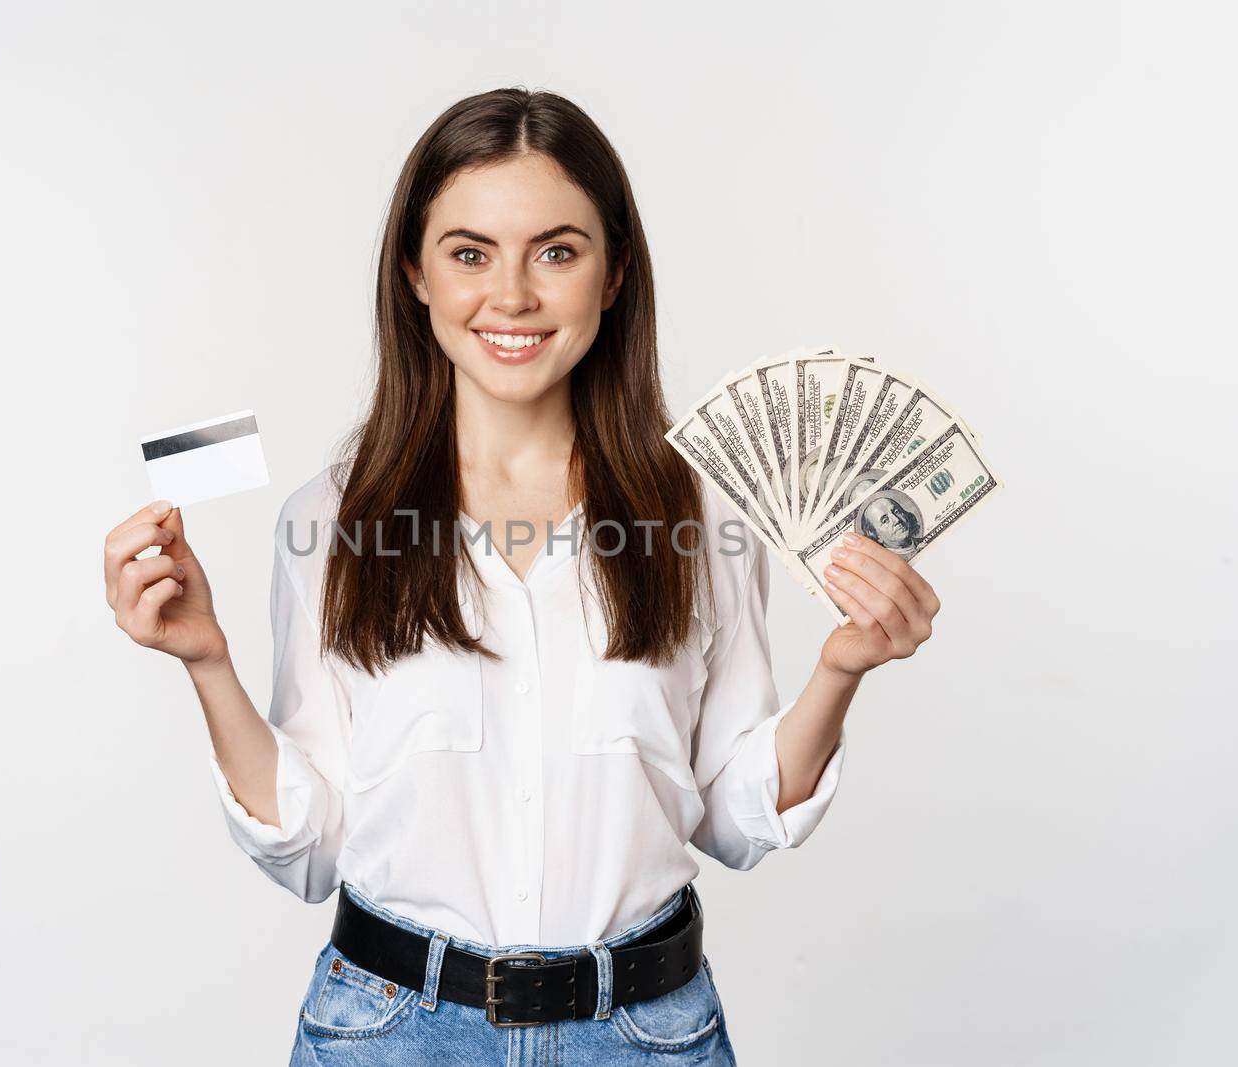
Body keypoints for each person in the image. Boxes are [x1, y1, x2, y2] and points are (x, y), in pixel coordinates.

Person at [101, 88, 941, 1064]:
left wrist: (841, 671)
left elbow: (730, 818)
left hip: (644, 1032)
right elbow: (313, 843)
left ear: (614, 271)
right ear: (414, 273)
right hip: (387, 1032)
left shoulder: (702, 515)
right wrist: (206, 660)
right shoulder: (328, 520)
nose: (511, 296)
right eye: (468, 253)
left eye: (556, 250)